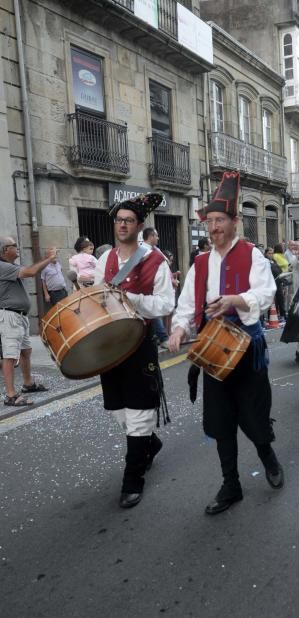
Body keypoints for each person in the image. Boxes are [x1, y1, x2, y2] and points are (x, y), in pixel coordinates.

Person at [168, 171, 284, 515]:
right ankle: (230, 484)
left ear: (235, 222)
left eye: (220, 220)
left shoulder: (253, 255)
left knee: (254, 416)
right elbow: (187, 304)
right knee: (220, 423)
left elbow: (266, 294)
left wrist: (234, 300)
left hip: (247, 350)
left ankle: (268, 456)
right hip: (214, 353)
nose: (214, 227)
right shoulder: (200, 262)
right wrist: (178, 329)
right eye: (210, 221)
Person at [94, 194, 174, 508]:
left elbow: (166, 304)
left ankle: (132, 479)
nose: (122, 224)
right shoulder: (106, 259)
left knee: (139, 412)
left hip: (139, 343)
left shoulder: (155, 260)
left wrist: (131, 299)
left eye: (128, 220)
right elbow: (98, 296)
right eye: (119, 220)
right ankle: (149, 444)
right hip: (111, 344)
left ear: (139, 226)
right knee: (117, 410)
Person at [0, 236, 56, 406]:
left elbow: (30, 270)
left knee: (26, 351)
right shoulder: (2, 266)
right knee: (10, 356)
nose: (17, 247)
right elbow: (31, 272)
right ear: (4, 250)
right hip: (10, 315)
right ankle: (10, 394)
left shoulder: (11, 266)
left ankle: (28, 383)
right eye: (14, 245)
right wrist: (48, 259)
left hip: (19, 316)